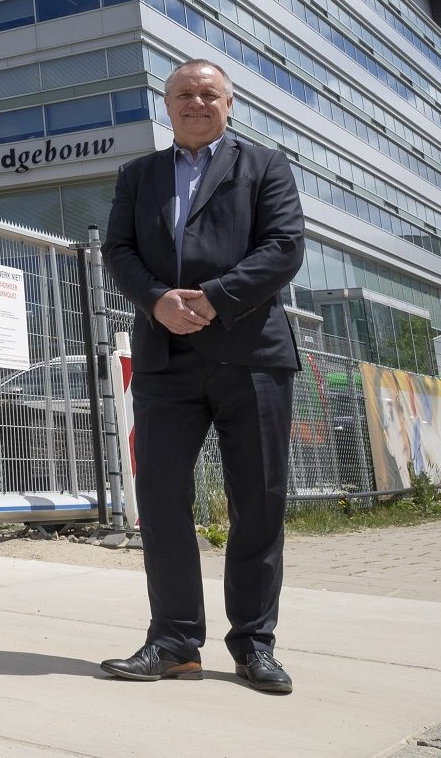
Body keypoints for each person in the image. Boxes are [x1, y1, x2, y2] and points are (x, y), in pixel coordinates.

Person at [99, 59, 305, 694]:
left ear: (229, 103)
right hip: (165, 360)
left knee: (259, 502)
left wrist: (214, 297)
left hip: (251, 356)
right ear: (167, 106)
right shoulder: (139, 175)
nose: (195, 102)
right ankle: (174, 640)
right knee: (161, 503)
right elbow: (119, 250)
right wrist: (157, 299)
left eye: (207, 93)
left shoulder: (265, 166)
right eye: (183, 94)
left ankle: (253, 645)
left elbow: (284, 246)